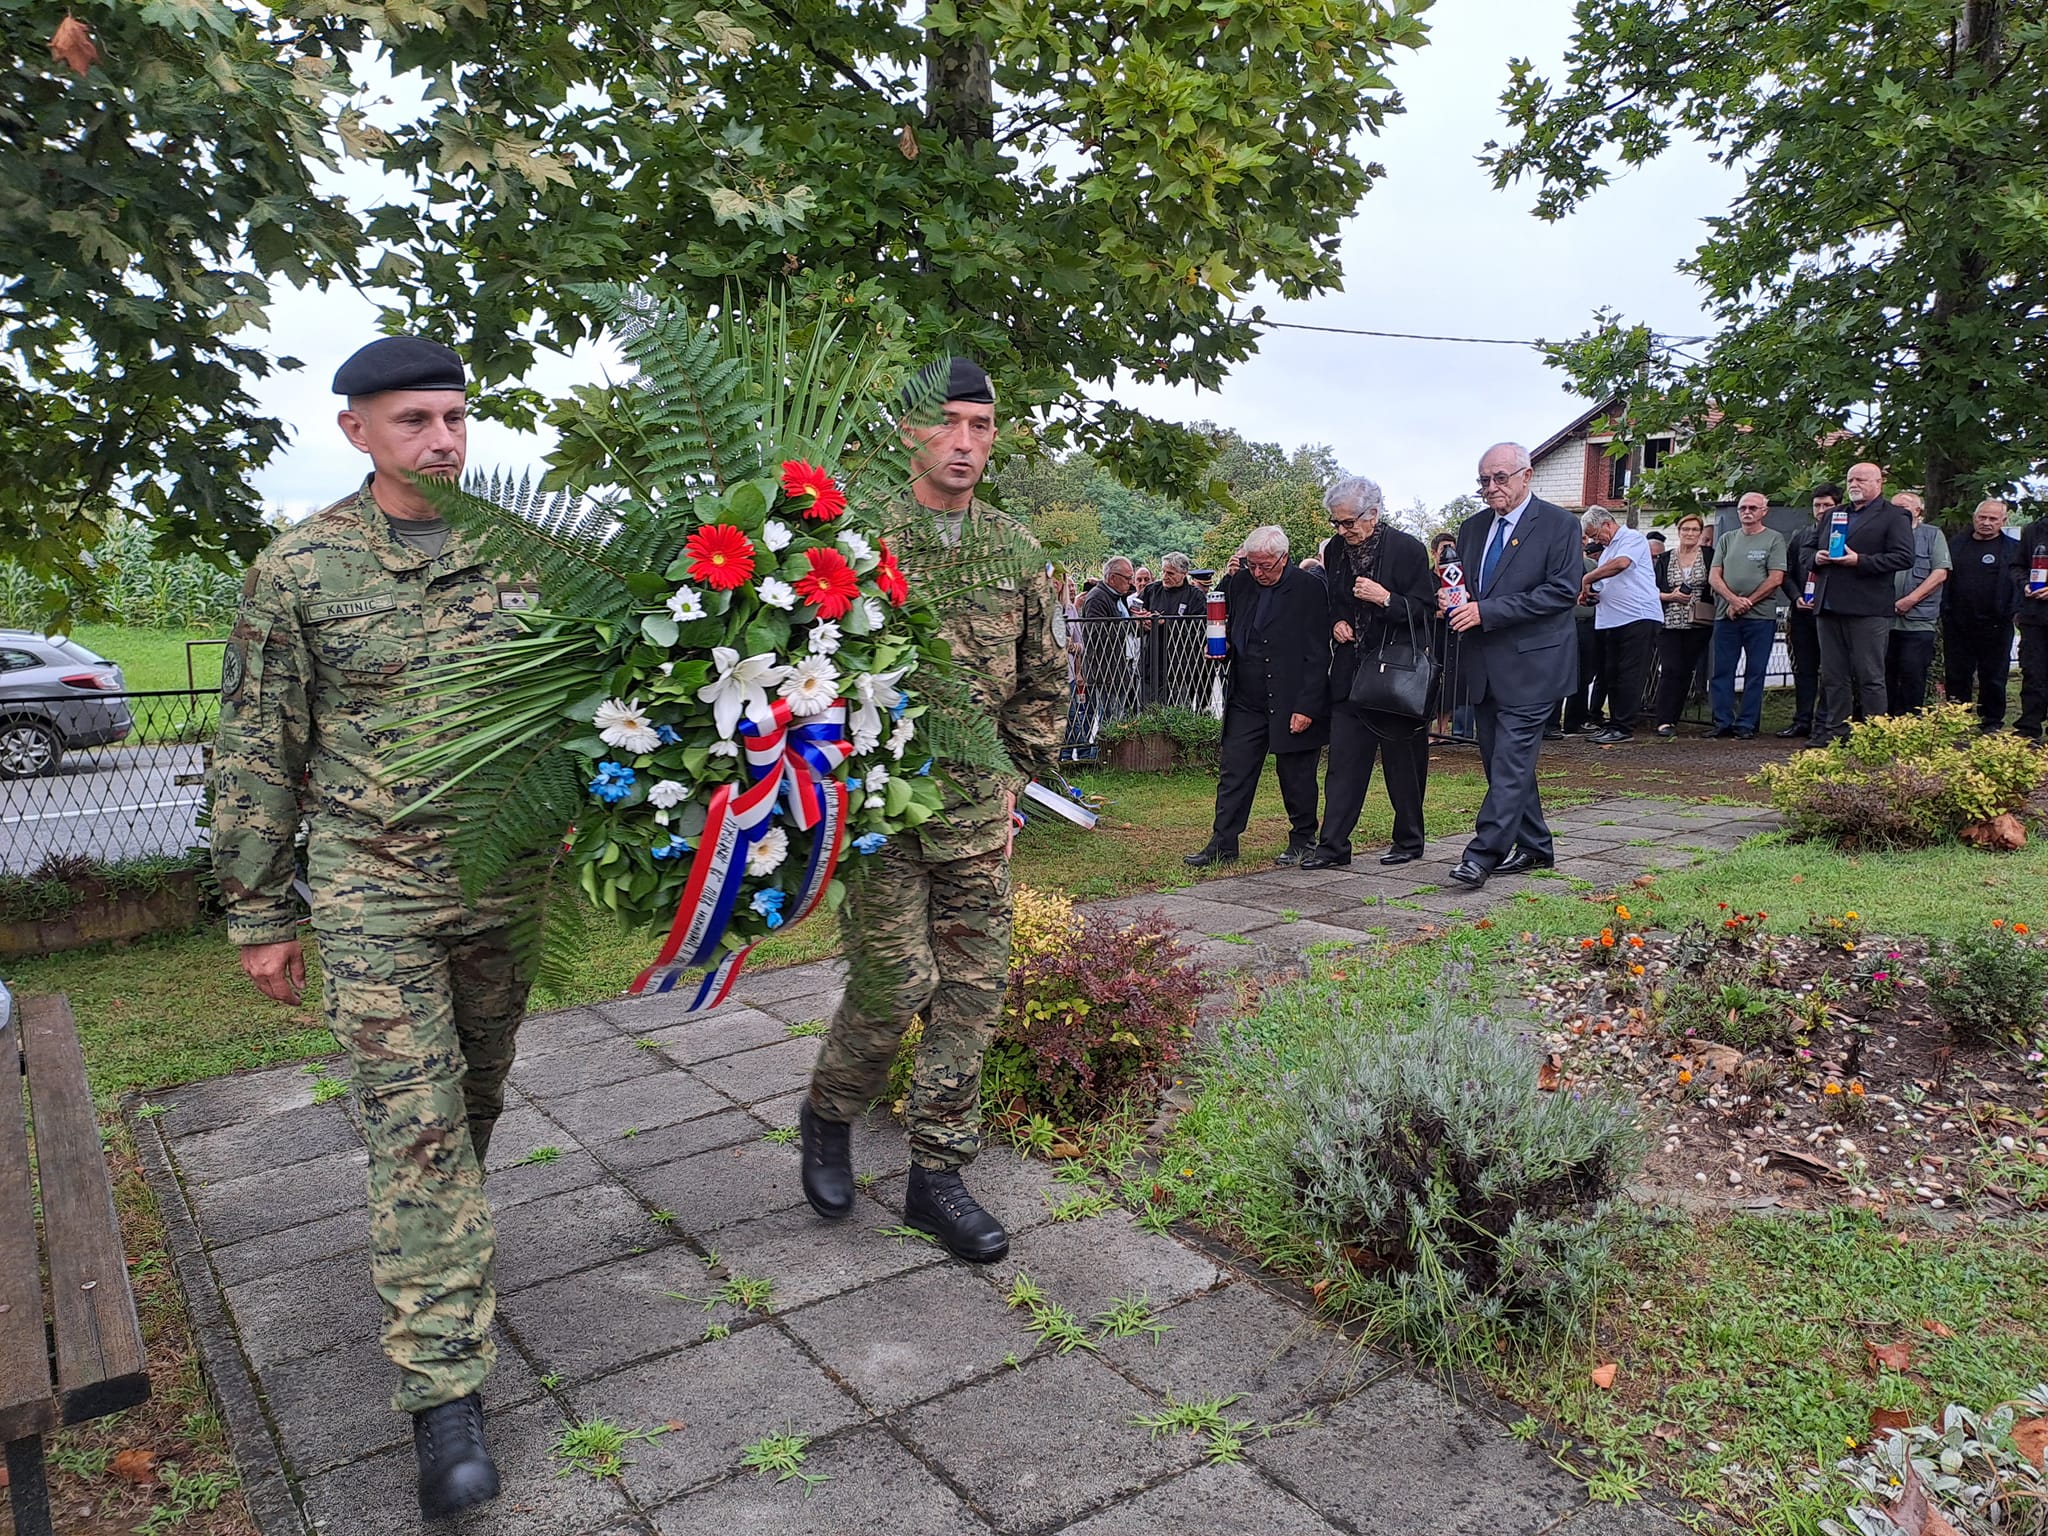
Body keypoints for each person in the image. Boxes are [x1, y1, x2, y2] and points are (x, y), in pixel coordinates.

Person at [211, 337, 535, 1519]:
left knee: (475, 1098)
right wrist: (259, 909)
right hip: (371, 892)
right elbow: (259, 746)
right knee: (418, 1127)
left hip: (505, 885)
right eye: (413, 420)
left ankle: (440, 1258)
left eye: (454, 417)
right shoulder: (299, 570)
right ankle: (444, 1394)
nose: (441, 440)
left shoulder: (526, 556)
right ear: (356, 430)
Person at [802, 357, 1067, 1264]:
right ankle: (830, 1110)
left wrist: (1013, 776)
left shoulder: (1017, 549)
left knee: (972, 992)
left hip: (975, 814)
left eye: (980, 426)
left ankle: (937, 1177)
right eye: (946, 422)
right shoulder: (855, 538)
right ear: (908, 430)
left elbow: (1046, 681)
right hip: (878, 813)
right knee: (896, 984)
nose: (964, 442)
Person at [1441, 443, 1580, 889]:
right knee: (1503, 764)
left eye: (1500, 478)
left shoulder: (1559, 524)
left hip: (1535, 666)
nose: (1491, 487)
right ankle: (1536, 846)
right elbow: (1467, 586)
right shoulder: (1472, 528)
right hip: (1485, 666)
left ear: (1526, 475)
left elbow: (1562, 592)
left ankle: (1481, 855)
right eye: (1484, 480)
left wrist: (1486, 611)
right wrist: (1452, 599)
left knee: (1509, 763)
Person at [1304, 477, 1433, 870]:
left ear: (1373, 514)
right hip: (1351, 672)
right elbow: (1333, 602)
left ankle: (1409, 840)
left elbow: (1425, 611)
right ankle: (1333, 847)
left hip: (1397, 675)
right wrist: (1337, 622)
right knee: (1343, 763)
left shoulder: (1407, 549)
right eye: (1336, 523)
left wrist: (1387, 599)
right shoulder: (1335, 551)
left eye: (1349, 522)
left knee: (1403, 763)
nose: (1343, 530)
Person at [1184, 525, 1330, 868]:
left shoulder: (1308, 588)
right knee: (1234, 771)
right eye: (1253, 565)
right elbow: (1236, 628)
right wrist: (1223, 647)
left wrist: (1307, 706)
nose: (1259, 572)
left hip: (1292, 697)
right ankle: (1223, 842)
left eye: (1266, 565)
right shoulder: (1240, 583)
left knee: (1296, 775)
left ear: (1284, 558)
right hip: (1246, 697)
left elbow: (1318, 653)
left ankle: (1303, 838)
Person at [1810, 462, 1914, 745]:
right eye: (1850, 480)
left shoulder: (1894, 516)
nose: (1854, 484)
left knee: (1870, 676)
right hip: (1829, 605)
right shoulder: (1833, 514)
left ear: (1879, 483)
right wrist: (1816, 558)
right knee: (1833, 676)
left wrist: (1860, 561)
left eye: (1861, 480)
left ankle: (1873, 737)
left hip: (1867, 607)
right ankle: (1836, 733)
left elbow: (1903, 557)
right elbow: (1808, 548)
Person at [1707, 491, 1787, 738]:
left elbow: (1776, 578)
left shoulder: (1774, 539)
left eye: (1753, 507)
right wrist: (1733, 600)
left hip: (1760, 617)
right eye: (1743, 508)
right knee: (1722, 670)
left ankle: (1746, 725)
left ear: (1764, 511)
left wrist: (1747, 602)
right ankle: (1722, 722)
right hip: (1726, 615)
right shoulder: (1727, 539)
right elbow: (1714, 576)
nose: (1747, 512)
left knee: (1755, 672)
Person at [1579, 508, 1662, 743]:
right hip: (1613, 619)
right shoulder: (1607, 552)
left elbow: (1623, 564)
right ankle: (1614, 722)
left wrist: (1588, 577)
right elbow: (1608, 583)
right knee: (1611, 673)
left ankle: (1624, 726)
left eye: (1596, 535)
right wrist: (1591, 593)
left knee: (1629, 673)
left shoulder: (1631, 538)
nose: (1596, 541)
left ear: (1607, 524)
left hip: (1637, 616)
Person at [1943, 500, 2023, 731]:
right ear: (1974, 518)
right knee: (1957, 674)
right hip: (1958, 621)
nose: (1986, 522)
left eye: (1993, 519)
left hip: (1997, 623)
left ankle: (1991, 721)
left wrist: (2014, 611)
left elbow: (2019, 582)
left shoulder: (2014, 549)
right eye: (1982, 517)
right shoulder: (1955, 545)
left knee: (1994, 675)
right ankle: (1957, 720)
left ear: (2003, 521)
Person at [1778, 483, 1839, 738]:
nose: (1821, 510)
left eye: (1827, 505)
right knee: (1804, 669)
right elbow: (1787, 572)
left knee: (1831, 670)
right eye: (1817, 505)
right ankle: (1802, 720)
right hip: (1803, 612)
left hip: (1831, 613)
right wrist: (1796, 597)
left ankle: (1825, 722)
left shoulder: (1844, 536)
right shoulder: (1801, 536)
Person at [1883, 492, 1950, 714]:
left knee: (1913, 673)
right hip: (1883, 619)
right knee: (1884, 674)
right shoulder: (1881, 535)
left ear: (1918, 511)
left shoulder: (1932, 535)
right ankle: (1885, 722)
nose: (1897, 512)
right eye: (1893, 507)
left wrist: (1910, 600)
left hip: (1918, 621)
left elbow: (1940, 573)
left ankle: (1910, 722)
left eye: (1903, 507)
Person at [1651, 514, 1714, 736]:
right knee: (1670, 668)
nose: (1690, 533)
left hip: (1698, 621)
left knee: (1686, 670)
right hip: (1669, 621)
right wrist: (1671, 596)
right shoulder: (1665, 558)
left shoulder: (1709, 556)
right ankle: (1663, 720)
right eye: (1685, 529)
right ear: (1678, 532)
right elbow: (1651, 589)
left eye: (1695, 530)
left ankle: (1674, 718)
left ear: (1700, 533)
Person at [1137, 552, 1208, 709]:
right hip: (1151, 662)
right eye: (1163, 571)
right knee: (1148, 711)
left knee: (1178, 711)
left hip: (1180, 666)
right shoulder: (1151, 590)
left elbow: (1199, 629)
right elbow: (1134, 612)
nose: (1165, 576)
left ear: (1184, 573)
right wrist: (1141, 622)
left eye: (1170, 573)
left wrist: (1166, 623)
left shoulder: (1195, 596)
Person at [1077, 556, 1138, 732]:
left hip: (1119, 669)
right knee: (1110, 723)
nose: (1130, 582)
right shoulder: (1097, 598)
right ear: (1112, 578)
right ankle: (1104, 750)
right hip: (1106, 672)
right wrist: (1130, 625)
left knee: (1118, 719)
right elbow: (1096, 634)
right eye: (1127, 578)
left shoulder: (1116, 596)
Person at [2017, 504, 2048, 740]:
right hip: (2035, 616)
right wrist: (2024, 583)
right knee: (2033, 673)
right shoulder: (2033, 530)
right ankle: (2029, 728)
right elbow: (2017, 566)